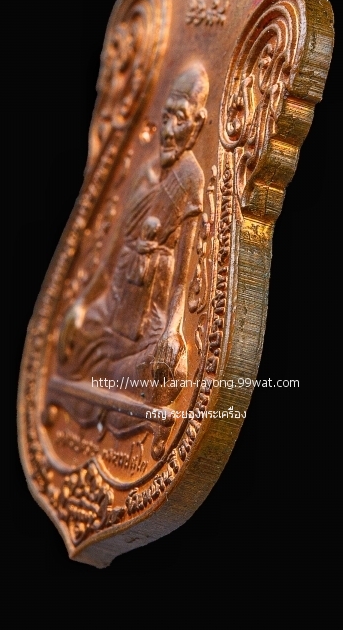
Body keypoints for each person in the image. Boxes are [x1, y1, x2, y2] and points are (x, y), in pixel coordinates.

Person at [50, 63, 209, 435]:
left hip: (150, 319)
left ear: (197, 124)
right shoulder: (145, 173)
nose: (168, 131)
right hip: (114, 305)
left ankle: (113, 377)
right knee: (69, 345)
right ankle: (108, 377)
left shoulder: (190, 179)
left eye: (180, 120)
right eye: (165, 118)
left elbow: (184, 275)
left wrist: (172, 331)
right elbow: (109, 259)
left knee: (167, 374)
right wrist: (83, 304)